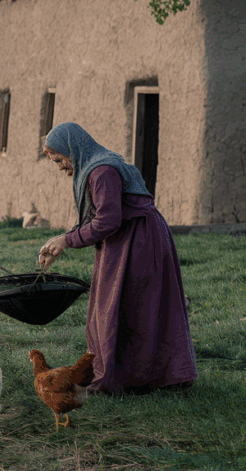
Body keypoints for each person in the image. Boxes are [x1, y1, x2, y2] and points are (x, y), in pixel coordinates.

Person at [38, 122, 197, 394]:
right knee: (124, 305)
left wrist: (66, 240)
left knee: (133, 305)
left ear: (72, 149)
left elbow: (107, 221)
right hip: (128, 239)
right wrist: (62, 241)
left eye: (61, 160)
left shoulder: (102, 171)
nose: (62, 167)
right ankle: (135, 374)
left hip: (138, 241)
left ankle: (135, 377)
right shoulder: (98, 166)